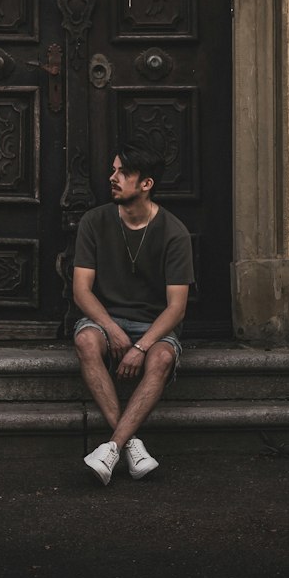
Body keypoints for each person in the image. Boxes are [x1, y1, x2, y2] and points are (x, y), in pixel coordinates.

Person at [72, 143, 194, 484]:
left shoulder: (174, 232)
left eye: (123, 173)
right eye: (113, 170)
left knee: (161, 359)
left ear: (146, 184)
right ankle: (128, 446)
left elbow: (177, 307)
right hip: (105, 318)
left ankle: (112, 446)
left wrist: (141, 347)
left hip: (153, 325)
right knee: (85, 340)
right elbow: (81, 290)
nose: (112, 178)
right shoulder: (94, 221)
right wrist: (109, 327)